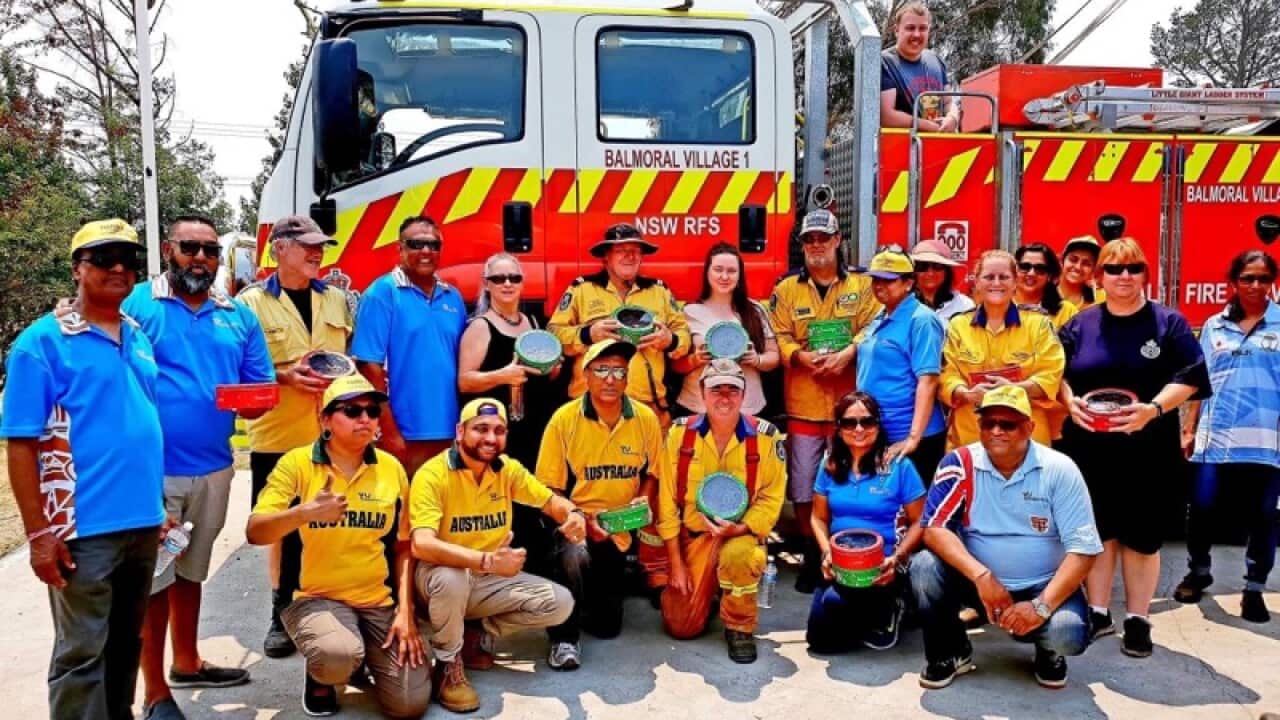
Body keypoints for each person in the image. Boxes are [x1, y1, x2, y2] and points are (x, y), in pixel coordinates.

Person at [1, 219, 164, 719]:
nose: (119, 268)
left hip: (141, 523)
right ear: (77, 268)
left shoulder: (136, 335)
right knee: (81, 656)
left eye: (128, 260)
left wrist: (159, 508)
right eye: (104, 258)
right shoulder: (43, 342)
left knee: (123, 646)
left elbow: (143, 424)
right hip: (80, 529)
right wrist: (39, 535)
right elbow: (21, 444)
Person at [123, 216, 275, 720]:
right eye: (191, 248)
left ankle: (186, 662)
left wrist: (254, 402)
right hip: (154, 470)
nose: (201, 259)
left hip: (215, 468)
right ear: (169, 249)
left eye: (211, 251)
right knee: (154, 580)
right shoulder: (139, 304)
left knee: (190, 570)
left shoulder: (235, 313)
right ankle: (155, 694)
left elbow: (259, 383)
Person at [1057, 238, 1211, 658]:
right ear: (1099, 276)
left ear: (1146, 273)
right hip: (1091, 449)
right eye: (1113, 269)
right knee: (1099, 531)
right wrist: (1069, 403)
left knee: (1142, 539)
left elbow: (1193, 375)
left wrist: (1154, 409)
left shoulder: (1168, 324)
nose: (1124, 277)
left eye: (1133, 268)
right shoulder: (1080, 324)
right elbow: (1056, 371)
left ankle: (1138, 620)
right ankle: (1100, 611)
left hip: (1149, 451)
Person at [246, 375, 429, 718]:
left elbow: (403, 547)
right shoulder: (296, 463)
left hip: (377, 601)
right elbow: (256, 532)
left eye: (373, 411)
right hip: (314, 598)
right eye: (352, 410)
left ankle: (360, 654)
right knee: (335, 656)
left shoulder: (391, 469)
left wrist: (406, 612)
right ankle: (324, 674)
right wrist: (306, 512)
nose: (365, 418)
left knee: (410, 704)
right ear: (325, 419)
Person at [910, 385, 1101, 690]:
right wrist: (982, 576)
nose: (996, 431)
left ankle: (1049, 652)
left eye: (1008, 424)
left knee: (1067, 634)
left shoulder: (1060, 469)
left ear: (1029, 427)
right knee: (923, 567)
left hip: (1042, 584)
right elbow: (934, 529)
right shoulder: (959, 464)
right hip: (977, 583)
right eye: (988, 423)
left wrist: (1040, 606)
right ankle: (950, 652)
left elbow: (1084, 551)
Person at [410, 398, 586, 714]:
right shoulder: (433, 474)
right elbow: (421, 544)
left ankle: (473, 634)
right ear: (460, 431)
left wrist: (572, 513)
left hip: (487, 581)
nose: (491, 438)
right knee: (452, 578)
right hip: (438, 580)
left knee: (560, 603)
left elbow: (548, 501)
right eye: (480, 429)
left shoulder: (507, 470)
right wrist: (487, 561)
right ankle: (448, 666)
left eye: (499, 430)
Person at [238, 215, 354, 658]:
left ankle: (331, 605)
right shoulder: (249, 306)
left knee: (333, 524)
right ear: (278, 248)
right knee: (283, 529)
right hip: (278, 437)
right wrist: (284, 376)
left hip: (333, 437)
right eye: (306, 245)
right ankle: (282, 613)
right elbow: (238, 374)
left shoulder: (338, 300)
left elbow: (349, 362)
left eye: (320, 245)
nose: (316, 252)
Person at [535, 340, 665, 670]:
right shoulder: (564, 420)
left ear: (627, 377)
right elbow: (547, 489)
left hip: (619, 531)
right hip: (575, 524)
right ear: (586, 375)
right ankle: (563, 638)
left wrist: (643, 500)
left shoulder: (645, 418)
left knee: (608, 628)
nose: (610, 379)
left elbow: (654, 472)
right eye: (602, 370)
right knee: (575, 554)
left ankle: (580, 600)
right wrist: (580, 519)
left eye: (619, 371)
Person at [770, 209, 881, 592]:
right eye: (809, 240)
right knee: (802, 486)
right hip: (803, 404)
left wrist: (847, 354)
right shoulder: (785, 290)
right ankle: (812, 555)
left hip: (850, 411)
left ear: (837, 240)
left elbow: (873, 327)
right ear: (802, 245)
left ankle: (848, 551)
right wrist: (800, 357)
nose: (816, 246)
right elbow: (781, 336)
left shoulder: (864, 286)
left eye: (823, 238)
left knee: (848, 482)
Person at [657, 360, 787, 663]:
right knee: (681, 626)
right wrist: (676, 564)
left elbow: (771, 499)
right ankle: (711, 590)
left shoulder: (766, 437)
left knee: (739, 557)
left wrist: (739, 529)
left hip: (739, 536)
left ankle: (739, 626)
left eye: (733, 390)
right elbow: (666, 503)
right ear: (702, 393)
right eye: (717, 390)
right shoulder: (679, 434)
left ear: (744, 396)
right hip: (695, 537)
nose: (725, 398)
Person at [1175, 250, 1279, 623]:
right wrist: (1189, 429)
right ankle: (1198, 571)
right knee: (1202, 509)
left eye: (1263, 279)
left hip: (1268, 442)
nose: (1255, 286)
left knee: (1264, 515)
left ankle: (1254, 589)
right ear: (1233, 282)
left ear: (1272, 282)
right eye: (1247, 278)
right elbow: (1199, 384)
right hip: (1215, 438)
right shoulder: (1214, 325)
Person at [806, 392, 926, 653]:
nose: (859, 429)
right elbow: (818, 517)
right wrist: (826, 552)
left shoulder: (899, 466)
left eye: (867, 421)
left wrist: (898, 557)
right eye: (850, 423)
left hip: (883, 564)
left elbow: (920, 521)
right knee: (820, 642)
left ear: (878, 425)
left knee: (838, 608)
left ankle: (894, 603)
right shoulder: (830, 464)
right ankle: (871, 617)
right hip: (841, 560)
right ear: (839, 428)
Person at [353, 215, 466, 477]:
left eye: (433, 245)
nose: (425, 251)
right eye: (416, 244)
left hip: (451, 430)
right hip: (404, 432)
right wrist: (388, 431)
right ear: (400, 249)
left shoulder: (453, 297)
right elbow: (369, 367)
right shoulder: (382, 294)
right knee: (405, 513)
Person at [548, 223, 691, 426]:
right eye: (621, 250)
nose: (629, 256)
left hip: (648, 409)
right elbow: (553, 335)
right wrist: (589, 334)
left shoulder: (659, 292)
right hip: (590, 409)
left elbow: (683, 334)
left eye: (635, 250)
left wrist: (670, 340)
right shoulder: (581, 289)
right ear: (606, 256)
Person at [939, 249, 1064, 449]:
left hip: (1027, 441)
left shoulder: (1038, 324)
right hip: (970, 437)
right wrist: (966, 393)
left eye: (1004, 277)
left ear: (1015, 282)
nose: (996, 283)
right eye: (989, 277)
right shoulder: (958, 326)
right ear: (977, 282)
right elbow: (946, 375)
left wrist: (1015, 389)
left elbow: (1051, 375)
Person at [458, 252, 559, 469]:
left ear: (522, 283)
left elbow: (541, 378)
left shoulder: (533, 322)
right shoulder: (480, 327)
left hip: (536, 430)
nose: (507, 284)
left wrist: (552, 369)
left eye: (514, 278)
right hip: (498, 435)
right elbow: (464, 382)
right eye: (498, 279)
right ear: (487, 284)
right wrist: (503, 375)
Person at [855, 246, 947, 482]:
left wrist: (913, 439)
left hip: (911, 437)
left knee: (914, 511)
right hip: (877, 432)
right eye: (875, 279)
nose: (879, 286)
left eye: (888, 280)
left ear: (908, 283)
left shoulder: (922, 320)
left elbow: (928, 381)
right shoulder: (880, 316)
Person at [675, 242, 780, 417]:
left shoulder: (755, 310)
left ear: (740, 276)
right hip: (699, 407)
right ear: (707, 272)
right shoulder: (689, 312)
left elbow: (774, 356)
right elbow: (675, 365)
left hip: (747, 407)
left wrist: (757, 360)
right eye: (718, 269)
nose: (724, 276)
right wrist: (695, 359)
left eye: (731, 271)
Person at [880, 1, 959, 131]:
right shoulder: (885, 62)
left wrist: (952, 117)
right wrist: (925, 126)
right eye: (910, 28)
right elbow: (886, 116)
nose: (916, 34)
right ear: (897, 30)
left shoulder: (936, 60)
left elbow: (948, 102)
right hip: (900, 147)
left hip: (939, 146)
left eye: (922, 28)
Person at [1014, 243, 1079, 330]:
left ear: (1050, 275)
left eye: (1040, 269)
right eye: (1025, 267)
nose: (1031, 273)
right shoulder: (999, 305)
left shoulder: (1067, 312)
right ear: (1014, 271)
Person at [911, 238, 974, 322]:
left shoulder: (964, 305)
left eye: (937, 266)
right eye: (922, 267)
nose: (930, 273)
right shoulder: (903, 304)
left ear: (947, 272)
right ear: (914, 272)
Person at [1058, 235, 1105, 310]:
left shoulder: (1101, 299)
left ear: (1093, 270)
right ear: (1062, 261)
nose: (1078, 267)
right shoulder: (1043, 291)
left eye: (1086, 264)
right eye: (1073, 260)